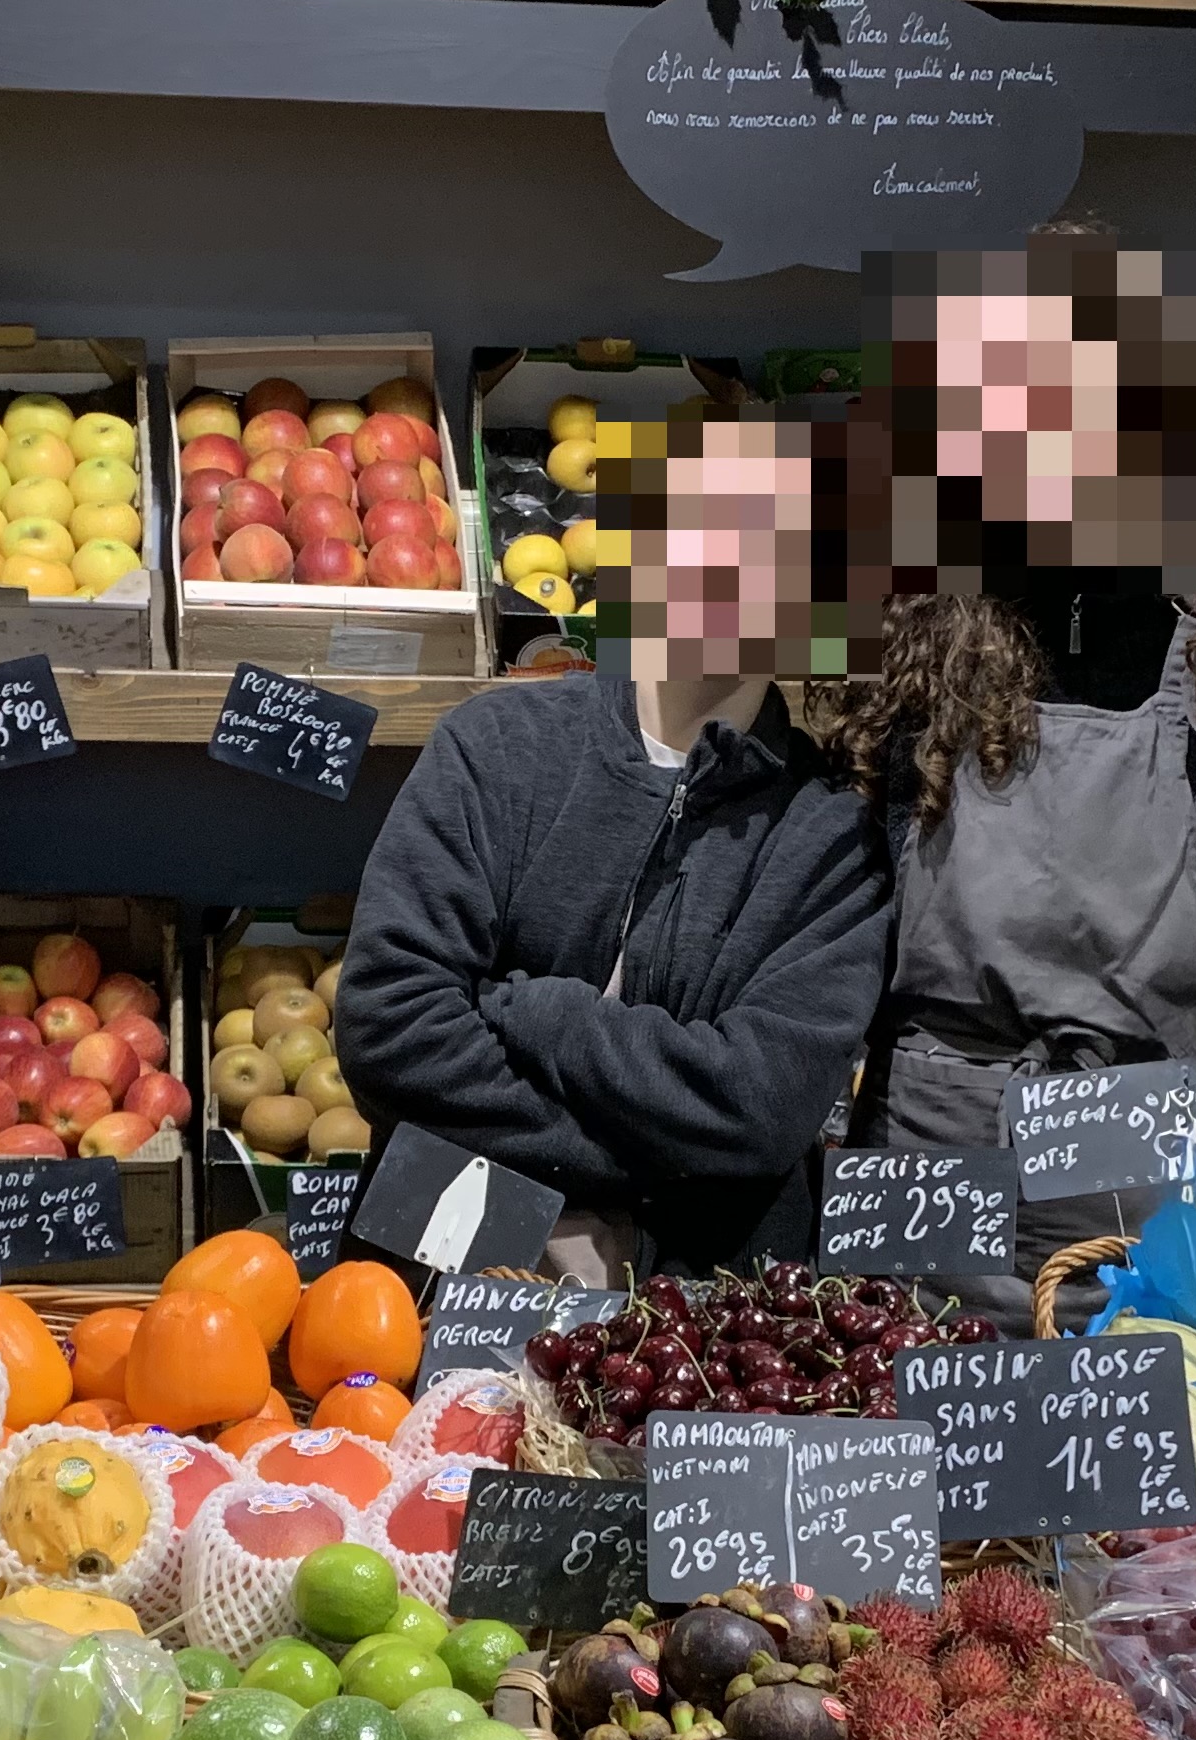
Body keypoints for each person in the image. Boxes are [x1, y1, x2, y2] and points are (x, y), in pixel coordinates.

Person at [824, 241, 1196, 1286]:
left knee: (1186, 1442)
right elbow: (824, 953)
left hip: (1177, 1227)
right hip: (922, 1210)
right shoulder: (884, 654)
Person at [337, 414, 890, 1276]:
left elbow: (758, 1110)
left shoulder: (834, 838)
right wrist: (658, 1162)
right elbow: (391, 1032)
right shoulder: (495, 747)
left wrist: (535, 1013)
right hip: (435, 1279)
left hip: (702, 1332)